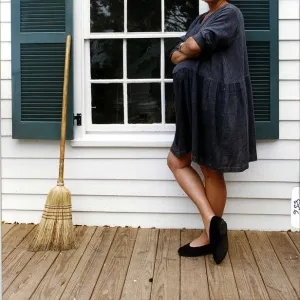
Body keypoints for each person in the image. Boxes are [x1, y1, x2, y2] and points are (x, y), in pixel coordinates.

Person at [167, 0, 257, 264]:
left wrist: (188, 49)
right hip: (195, 103)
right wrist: (186, 50)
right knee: (178, 161)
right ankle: (212, 223)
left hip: (217, 100)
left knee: (209, 168)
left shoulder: (230, 14)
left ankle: (209, 237)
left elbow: (192, 46)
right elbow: (175, 54)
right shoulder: (202, 18)